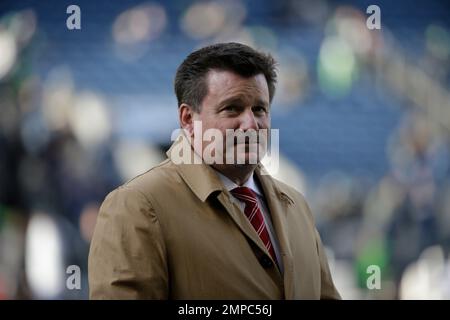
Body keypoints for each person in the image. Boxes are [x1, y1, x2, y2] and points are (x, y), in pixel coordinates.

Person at [88, 42, 341, 299]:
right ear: (188, 119)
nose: (250, 124)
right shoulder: (137, 206)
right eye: (232, 108)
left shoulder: (296, 206)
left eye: (259, 109)